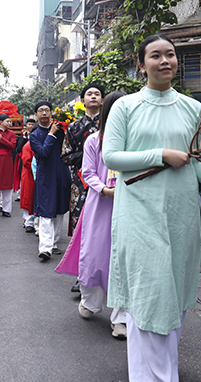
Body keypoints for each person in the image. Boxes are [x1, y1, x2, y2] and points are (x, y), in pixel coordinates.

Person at [101, 34, 201, 381]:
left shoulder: (193, 108)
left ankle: (155, 373)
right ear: (141, 63)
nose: (164, 61)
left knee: (173, 292)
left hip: (181, 213)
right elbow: (111, 156)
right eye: (155, 56)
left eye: (170, 55)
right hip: (139, 214)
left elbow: (197, 161)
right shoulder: (125, 107)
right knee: (150, 292)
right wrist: (160, 155)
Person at [56, 90, 128, 339]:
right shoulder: (94, 141)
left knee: (124, 259)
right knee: (95, 253)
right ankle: (90, 302)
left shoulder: (137, 140)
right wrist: (105, 190)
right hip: (100, 204)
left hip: (130, 205)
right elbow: (88, 173)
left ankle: (121, 318)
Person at [29, 100, 71, 260]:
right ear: (36, 114)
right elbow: (43, 152)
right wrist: (51, 134)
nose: (44, 113)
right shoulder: (34, 136)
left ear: (52, 112)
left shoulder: (62, 131)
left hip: (61, 174)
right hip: (46, 176)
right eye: (41, 110)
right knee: (46, 211)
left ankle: (53, 243)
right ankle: (45, 247)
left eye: (47, 110)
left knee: (59, 210)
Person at [63, 83, 104, 235]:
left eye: (97, 94)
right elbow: (65, 156)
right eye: (89, 94)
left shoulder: (110, 124)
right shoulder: (73, 127)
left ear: (102, 101)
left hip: (105, 177)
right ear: (82, 100)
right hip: (80, 180)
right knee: (80, 216)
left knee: (104, 217)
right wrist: (88, 154)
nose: (93, 96)